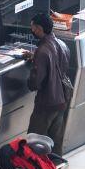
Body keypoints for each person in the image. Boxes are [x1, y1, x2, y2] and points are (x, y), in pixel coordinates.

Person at [25, 13, 70, 151]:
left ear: (39, 28)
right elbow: (57, 63)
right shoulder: (61, 44)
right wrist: (36, 58)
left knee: (35, 143)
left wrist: (32, 73)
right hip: (62, 99)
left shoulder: (42, 51)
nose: (32, 31)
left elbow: (36, 83)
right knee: (55, 144)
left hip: (46, 104)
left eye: (33, 28)